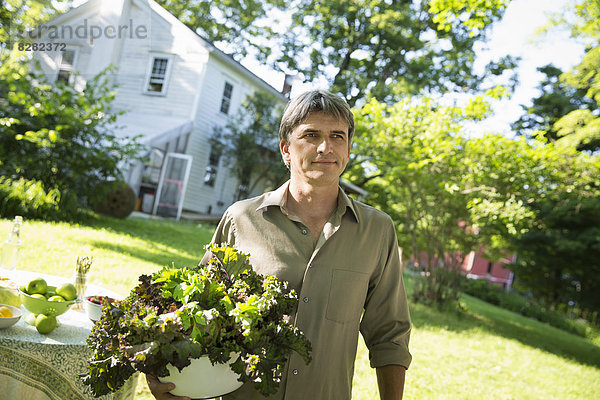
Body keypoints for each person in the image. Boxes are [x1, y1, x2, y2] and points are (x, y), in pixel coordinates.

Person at [147, 89, 412, 400]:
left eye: (337, 136)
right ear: (286, 149)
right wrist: (161, 370)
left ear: (348, 150)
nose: (326, 147)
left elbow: (390, 335)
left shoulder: (377, 231)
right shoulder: (241, 219)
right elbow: (194, 309)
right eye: (311, 135)